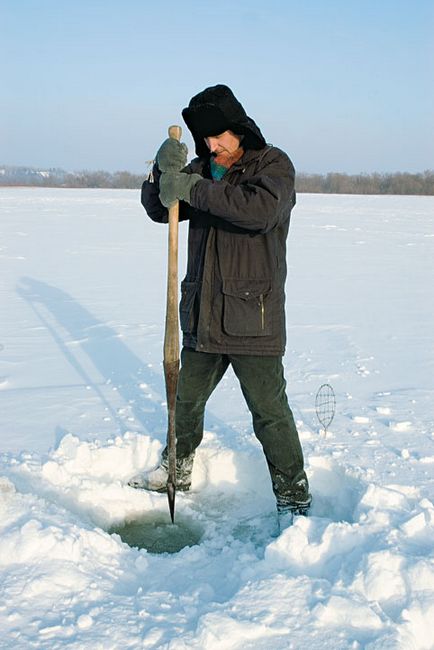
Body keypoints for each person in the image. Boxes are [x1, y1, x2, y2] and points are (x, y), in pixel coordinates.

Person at [130, 84, 311, 528]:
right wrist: (160, 174)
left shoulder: (273, 165)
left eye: (219, 137)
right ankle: (176, 468)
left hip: (253, 318)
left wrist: (192, 187)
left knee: (269, 414)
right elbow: (161, 208)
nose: (212, 146)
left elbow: (259, 211)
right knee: (185, 402)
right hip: (202, 314)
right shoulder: (203, 169)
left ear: (240, 130)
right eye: (206, 139)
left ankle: (293, 497)